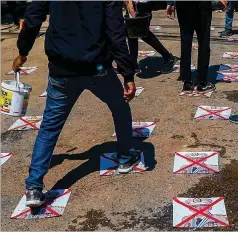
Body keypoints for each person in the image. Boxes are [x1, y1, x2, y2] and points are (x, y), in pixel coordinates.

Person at [12, 1, 140, 207]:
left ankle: (34, 187)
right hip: (97, 68)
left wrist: (23, 51)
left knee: (50, 126)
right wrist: (128, 74)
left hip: (62, 69)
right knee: (120, 106)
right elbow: (116, 32)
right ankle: (125, 157)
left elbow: (33, 18)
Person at [166, 1, 227, 93]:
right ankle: (202, 82)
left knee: (186, 41)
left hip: (184, 5)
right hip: (201, 5)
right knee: (203, 41)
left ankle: (187, 82)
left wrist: (170, 3)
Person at [126, 0, 179, 74]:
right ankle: (133, 63)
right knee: (131, 32)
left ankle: (168, 57)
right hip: (133, 3)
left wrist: (170, 3)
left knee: (143, 33)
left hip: (144, 4)